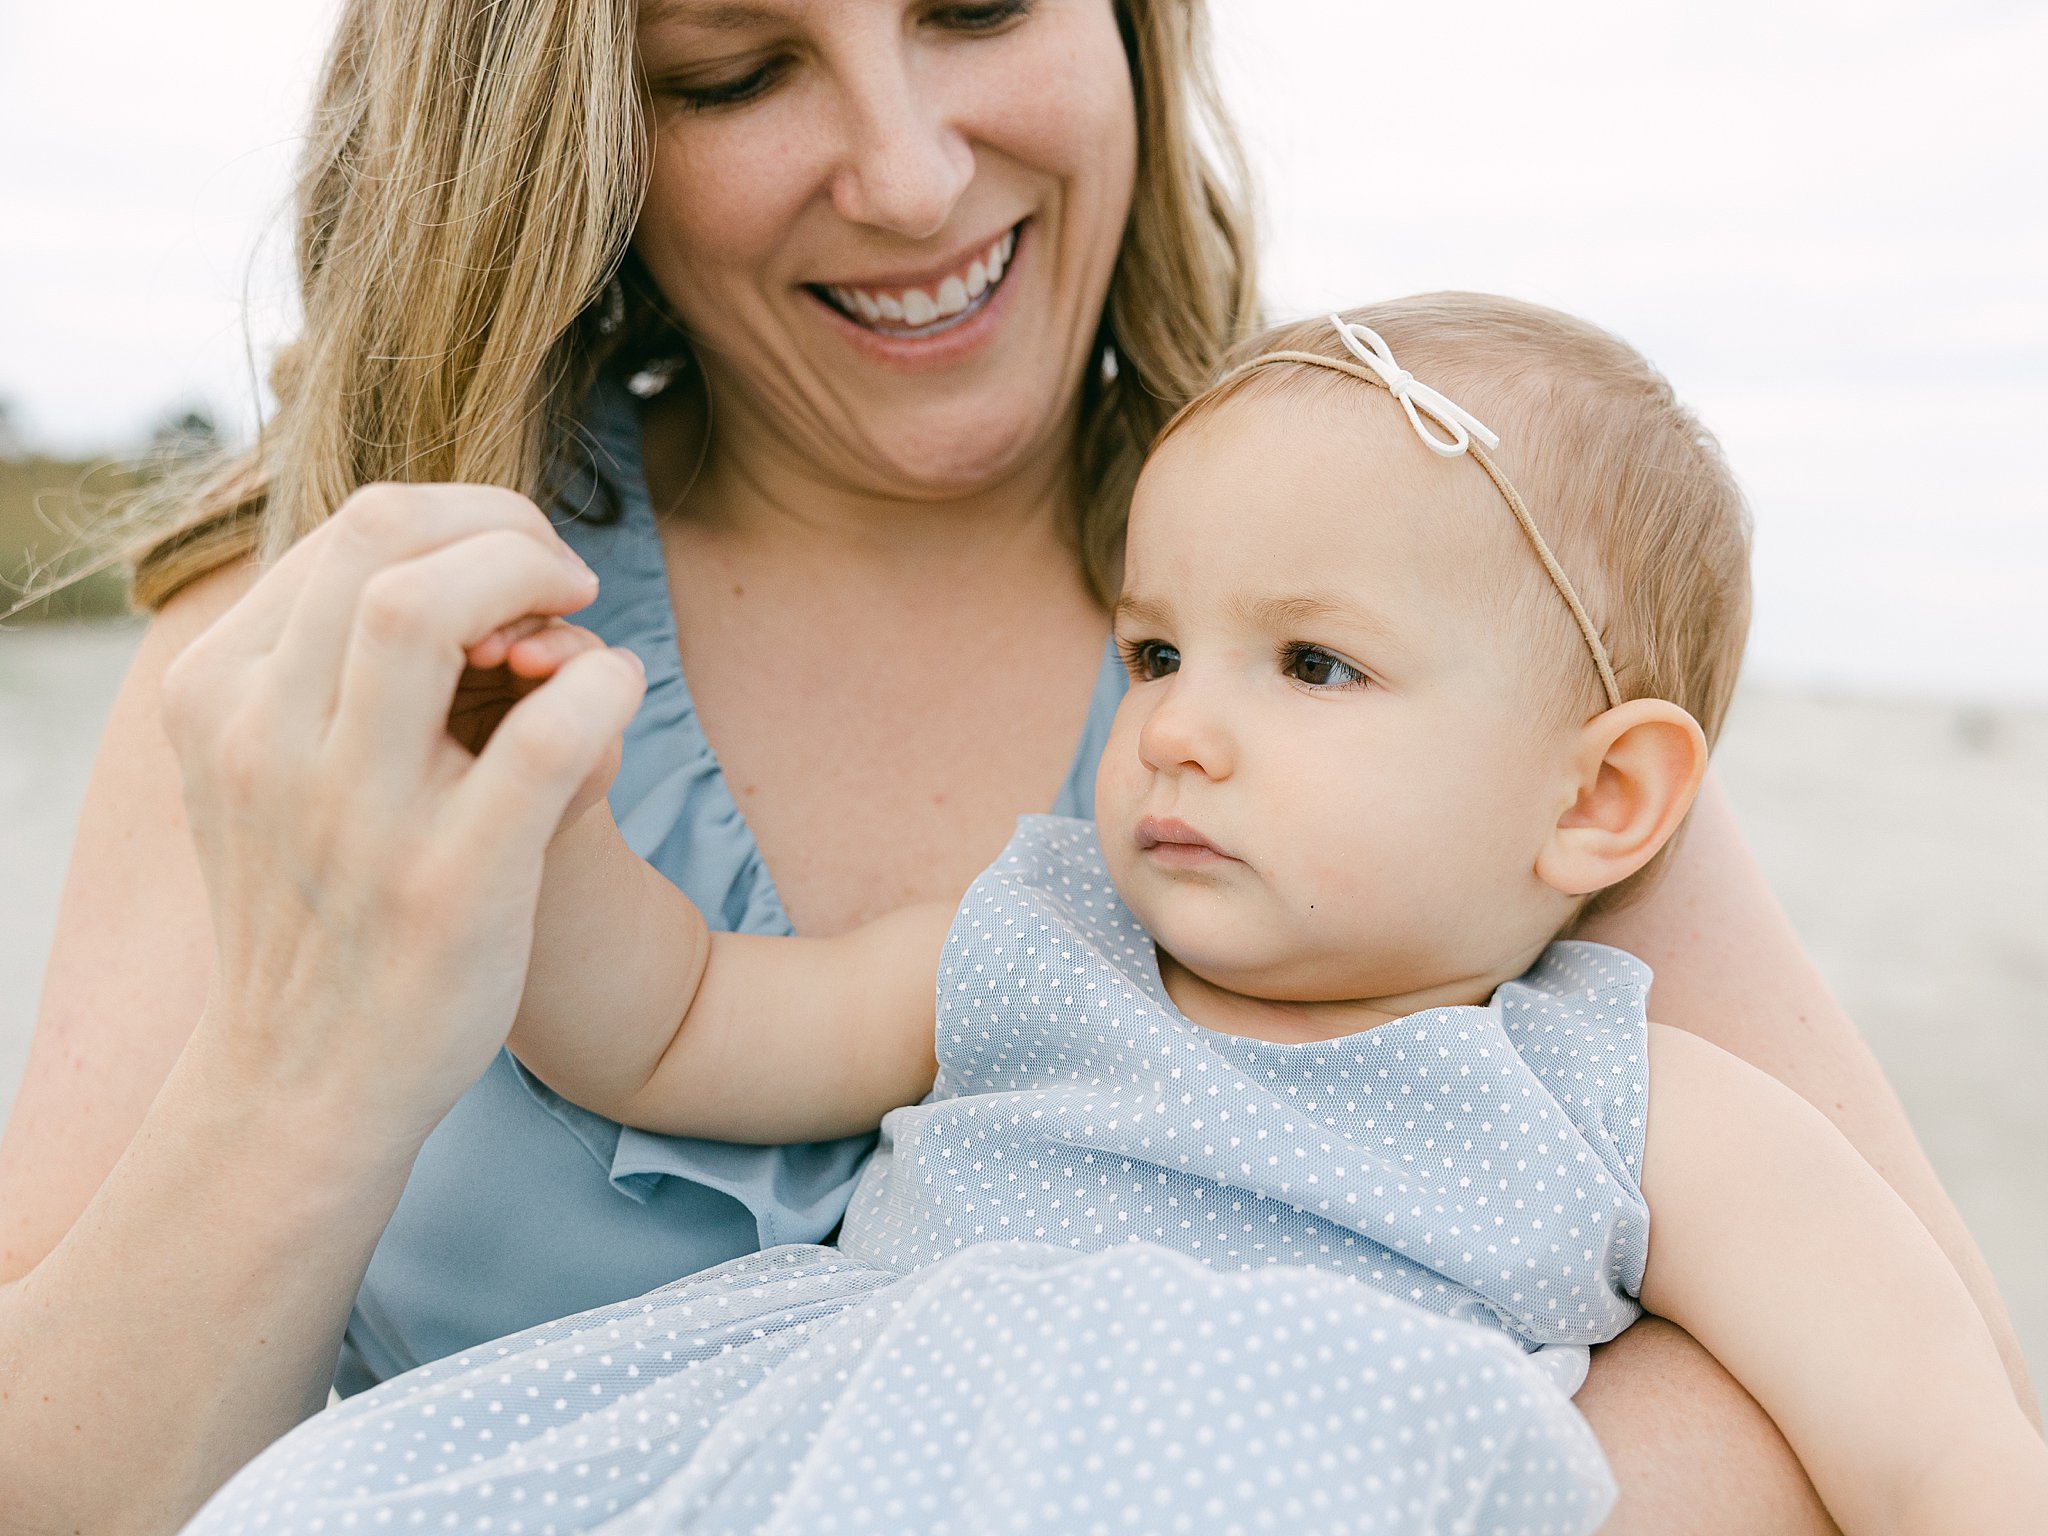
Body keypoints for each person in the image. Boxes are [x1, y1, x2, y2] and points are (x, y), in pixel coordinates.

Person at [0, 1, 2030, 1530]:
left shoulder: (1468, 666)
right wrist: (358, 1005)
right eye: (735, 66)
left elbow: (1931, 1427)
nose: (904, 171)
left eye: (974, 0)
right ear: (582, 121)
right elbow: (687, 1016)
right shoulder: (352, 680)